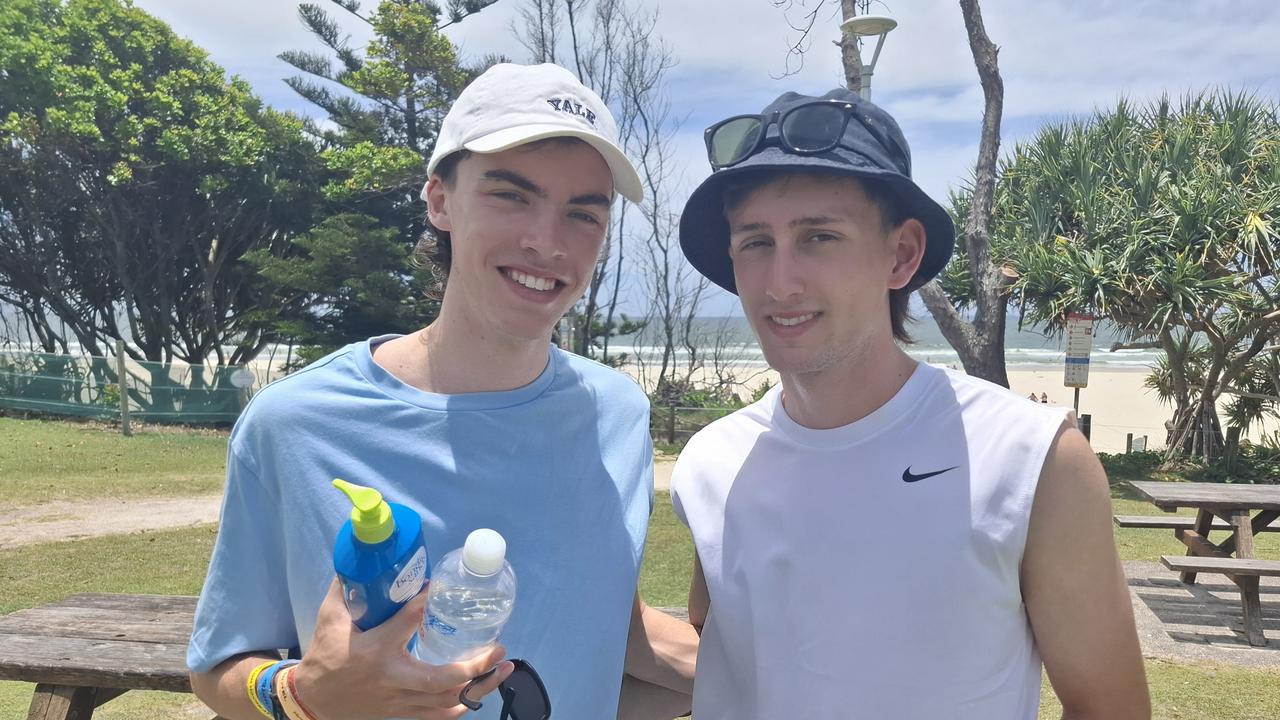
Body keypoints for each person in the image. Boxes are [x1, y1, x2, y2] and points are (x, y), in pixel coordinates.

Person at [187, 63, 695, 720]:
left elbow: (610, 632)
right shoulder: (293, 423)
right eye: (511, 196)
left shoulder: (617, 417)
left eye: (582, 214)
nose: (546, 242)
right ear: (439, 200)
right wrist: (298, 697)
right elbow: (219, 665)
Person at [671, 88, 1150, 718]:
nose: (780, 282)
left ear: (901, 254)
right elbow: (728, 651)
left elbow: (1106, 704)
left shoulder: (1031, 460)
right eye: (756, 242)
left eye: (819, 237)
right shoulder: (710, 462)